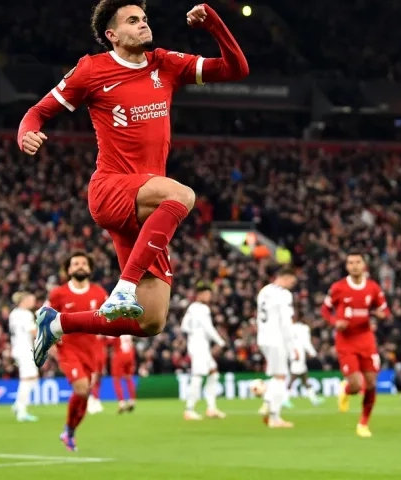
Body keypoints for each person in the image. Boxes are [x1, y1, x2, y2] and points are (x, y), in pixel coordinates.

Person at [18, 0, 249, 368]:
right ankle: (122, 288)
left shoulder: (165, 64)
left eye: (144, 18)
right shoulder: (92, 70)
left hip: (147, 209)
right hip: (112, 189)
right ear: (112, 35)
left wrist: (214, 26)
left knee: (150, 321)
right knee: (183, 194)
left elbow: (236, 69)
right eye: (132, 20)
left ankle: (57, 323)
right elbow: (38, 112)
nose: (143, 25)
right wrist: (27, 134)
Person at [321, 252, 389, 438]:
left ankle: (363, 423)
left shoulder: (373, 288)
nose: (354, 266)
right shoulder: (338, 288)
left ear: (364, 264)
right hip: (346, 341)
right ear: (346, 266)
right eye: (351, 263)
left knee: (371, 383)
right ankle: (345, 390)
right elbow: (325, 309)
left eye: (358, 262)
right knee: (356, 384)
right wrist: (335, 321)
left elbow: (384, 309)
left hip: (366, 339)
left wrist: (382, 315)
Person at [46, 252, 109, 452]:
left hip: (91, 350)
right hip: (68, 349)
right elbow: (47, 320)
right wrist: (52, 345)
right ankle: (68, 429)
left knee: (84, 394)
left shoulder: (99, 293)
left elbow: (108, 318)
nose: (80, 266)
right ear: (69, 269)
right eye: (76, 263)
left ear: (90, 269)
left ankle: (69, 431)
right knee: (81, 388)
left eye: (84, 263)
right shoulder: (58, 294)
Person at [256, 268, 297, 428]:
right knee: (281, 377)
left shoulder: (264, 290)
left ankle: (268, 402)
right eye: (291, 282)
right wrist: (292, 345)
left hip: (263, 337)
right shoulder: (284, 294)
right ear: (285, 278)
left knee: (276, 375)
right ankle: (275, 417)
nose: (292, 286)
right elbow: (286, 322)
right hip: (277, 338)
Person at [181, 282, 226, 420]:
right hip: (199, 346)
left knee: (213, 373)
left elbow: (184, 327)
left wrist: (193, 333)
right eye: (207, 294)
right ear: (200, 295)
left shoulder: (192, 308)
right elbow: (208, 327)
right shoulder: (202, 308)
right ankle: (189, 409)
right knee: (198, 376)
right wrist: (220, 341)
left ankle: (211, 408)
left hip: (197, 345)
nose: (209, 296)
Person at [9, 292, 39, 422]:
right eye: (31, 300)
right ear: (24, 300)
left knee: (32, 378)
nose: (33, 303)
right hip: (25, 349)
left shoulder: (14, 313)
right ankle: (21, 410)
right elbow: (33, 331)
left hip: (17, 348)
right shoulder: (26, 314)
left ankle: (17, 405)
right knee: (27, 379)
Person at [287, 314, 322, 407]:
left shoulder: (290, 328)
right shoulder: (304, 329)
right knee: (292, 379)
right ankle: (283, 398)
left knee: (305, 379)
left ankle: (314, 399)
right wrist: (313, 353)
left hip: (295, 355)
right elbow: (306, 342)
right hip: (299, 356)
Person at [110, 335, 138, 413]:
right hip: (130, 354)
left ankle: (121, 403)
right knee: (129, 378)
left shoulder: (116, 328)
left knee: (116, 380)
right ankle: (132, 400)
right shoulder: (128, 327)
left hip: (120, 354)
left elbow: (110, 341)